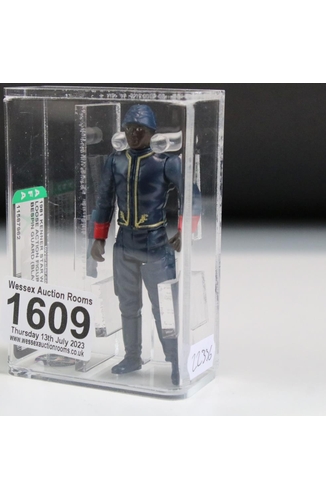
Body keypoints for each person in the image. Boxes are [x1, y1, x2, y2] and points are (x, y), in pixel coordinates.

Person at [91, 104, 198, 385]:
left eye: (140, 129)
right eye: (128, 129)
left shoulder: (166, 162)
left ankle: (175, 361)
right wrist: (99, 237)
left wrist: (184, 230)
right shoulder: (115, 161)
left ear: (152, 132)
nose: (133, 134)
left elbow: (191, 195)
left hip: (156, 245)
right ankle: (132, 356)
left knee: (165, 308)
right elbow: (104, 200)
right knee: (127, 305)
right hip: (124, 243)